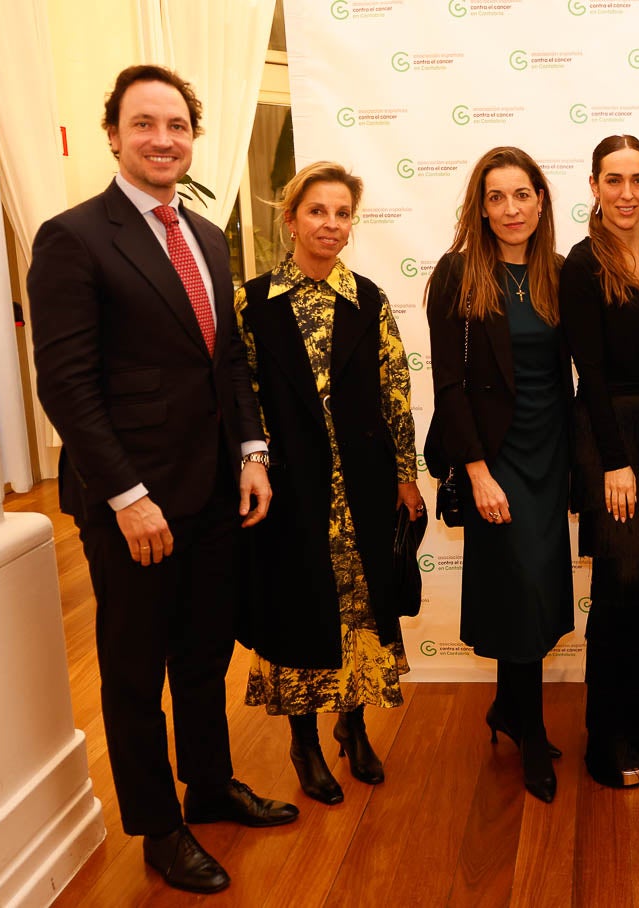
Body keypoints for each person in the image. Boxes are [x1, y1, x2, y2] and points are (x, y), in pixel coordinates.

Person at [28, 65, 296, 895]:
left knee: (204, 654)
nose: (162, 139)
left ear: (193, 136)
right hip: (133, 505)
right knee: (136, 672)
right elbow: (65, 385)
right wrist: (127, 498)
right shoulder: (73, 238)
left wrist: (251, 453)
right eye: (144, 124)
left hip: (215, 490)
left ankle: (210, 787)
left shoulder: (207, 236)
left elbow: (228, 364)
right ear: (113, 134)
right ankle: (158, 827)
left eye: (176, 125)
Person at [235, 162, 423, 807]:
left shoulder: (367, 298)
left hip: (363, 486)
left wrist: (406, 475)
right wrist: (250, 464)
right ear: (291, 219)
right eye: (318, 211)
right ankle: (305, 742)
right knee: (298, 611)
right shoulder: (253, 303)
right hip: (288, 488)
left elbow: (395, 389)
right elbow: (242, 397)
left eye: (342, 213)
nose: (331, 225)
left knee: (360, 611)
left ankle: (355, 723)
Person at [425, 146, 573, 803]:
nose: (510, 209)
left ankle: (509, 710)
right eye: (496, 197)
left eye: (522, 195)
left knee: (536, 589)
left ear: (540, 202)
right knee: (518, 587)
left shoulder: (561, 274)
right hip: (496, 457)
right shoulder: (457, 275)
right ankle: (530, 730)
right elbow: (449, 387)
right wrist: (477, 471)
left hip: (551, 454)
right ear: (479, 208)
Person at [560, 136, 639, 789]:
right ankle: (606, 737)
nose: (626, 193)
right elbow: (592, 373)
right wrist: (613, 461)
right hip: (611, 436)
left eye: (637, 179)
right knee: (619, 587)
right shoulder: (582, 264)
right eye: (614, 180)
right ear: (593, 185)